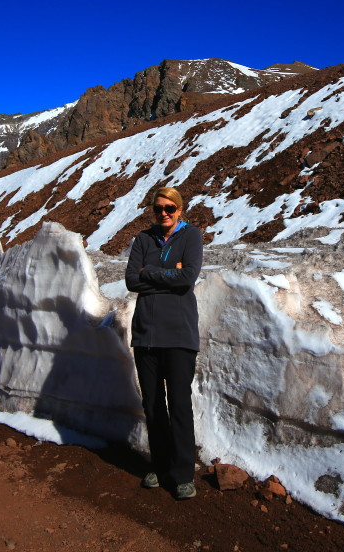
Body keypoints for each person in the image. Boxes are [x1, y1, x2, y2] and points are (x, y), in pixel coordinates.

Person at [125, 186, 204, 500]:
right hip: (146, 334)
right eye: (158, 208)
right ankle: (159, 465)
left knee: (180, 405)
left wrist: (151, 274)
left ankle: (184, 473)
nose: (164, 213)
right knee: (153, 406)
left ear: (179, 209)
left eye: (170, 208)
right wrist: (169, 273)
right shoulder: (143, 239)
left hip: (180, 335)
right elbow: (132, 280)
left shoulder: (192, 236)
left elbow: (188, 279)